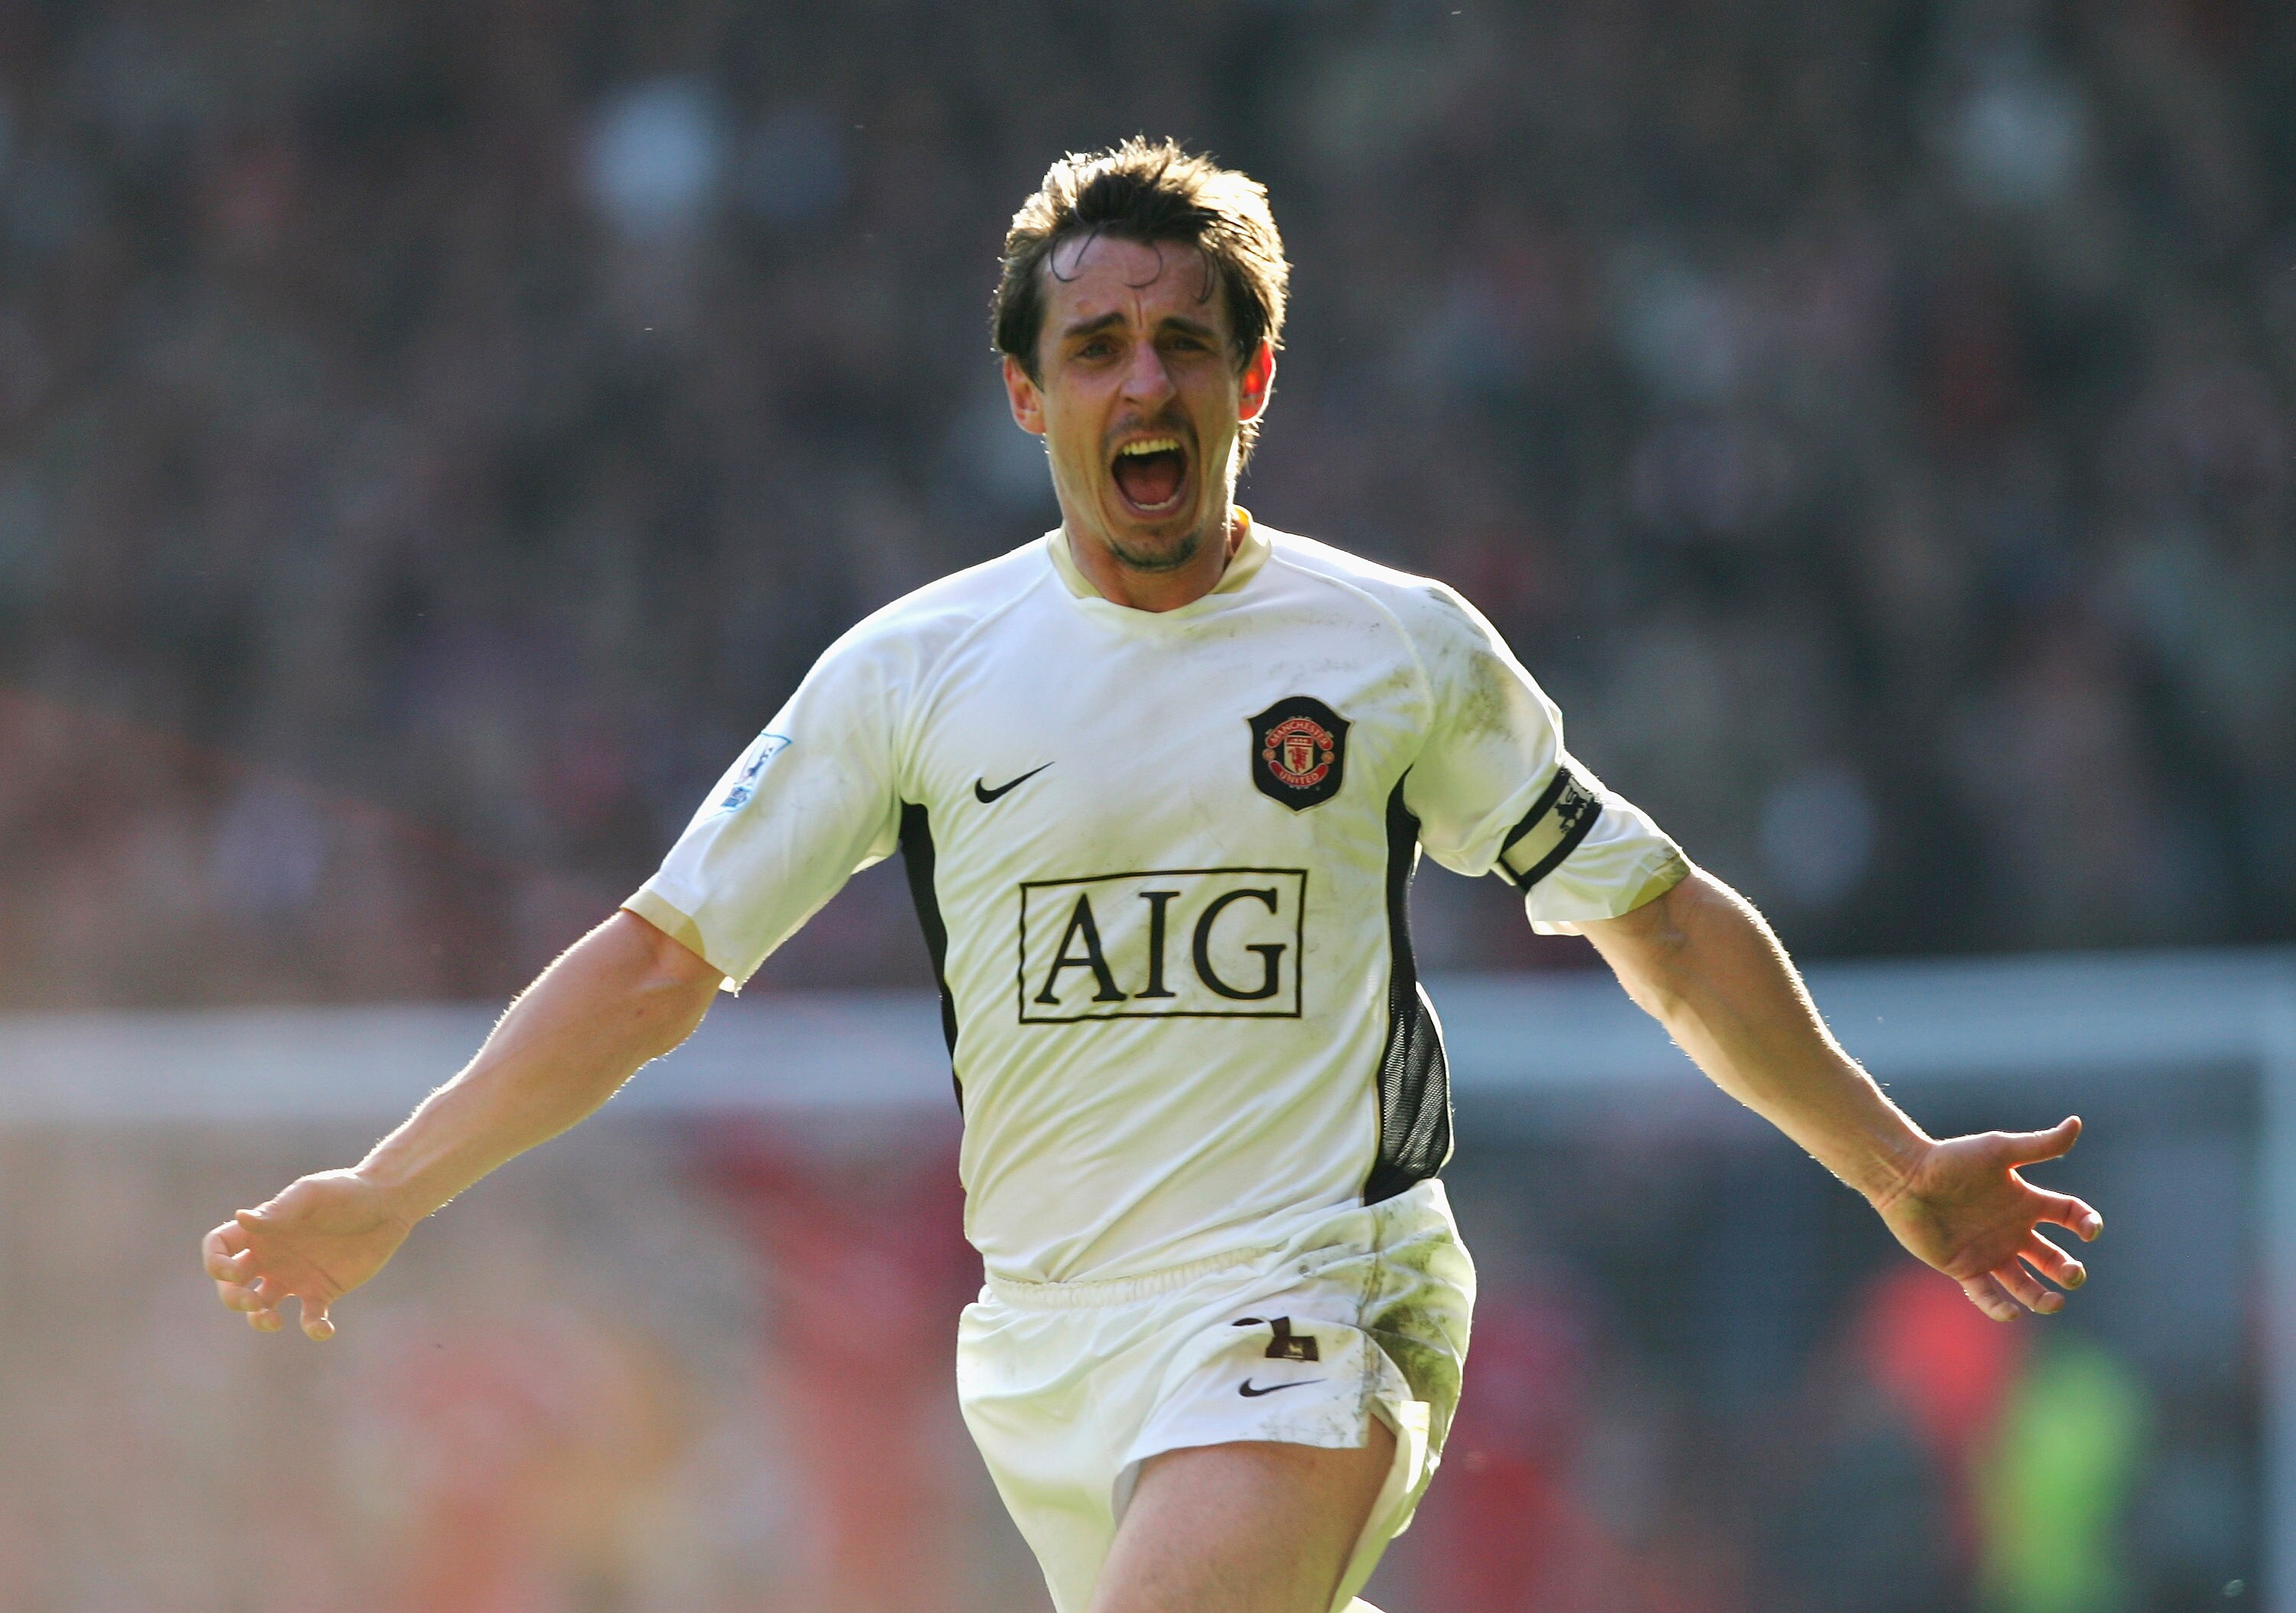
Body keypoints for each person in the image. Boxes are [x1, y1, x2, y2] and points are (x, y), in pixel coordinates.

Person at [203, 139, 2104, 1613]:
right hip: (1050, 1346)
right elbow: (654, 964)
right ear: (1028, 396)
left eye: (1184, 341)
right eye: (1096, 345)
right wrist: (391, 1187)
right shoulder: (914, 674)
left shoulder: (1395, 649)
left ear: (1249, 379)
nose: (1145, 380)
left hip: (1322, 1293)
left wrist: (1890, 1160)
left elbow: (1656, 915)